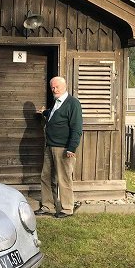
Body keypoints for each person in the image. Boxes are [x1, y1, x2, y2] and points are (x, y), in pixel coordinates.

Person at [35, 76, 83, 218]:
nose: (54, 89)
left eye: (57, 87)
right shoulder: (56, 102)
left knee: (64, 178)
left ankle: (67, 208)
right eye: (52, 87)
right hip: (50, 146)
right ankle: (48, 206)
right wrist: (44, 113)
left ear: (65, 87)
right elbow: (54, 114)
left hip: (63, 148)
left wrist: (71, 148)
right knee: (46, 177)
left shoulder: (73, 103)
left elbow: (77, 128)